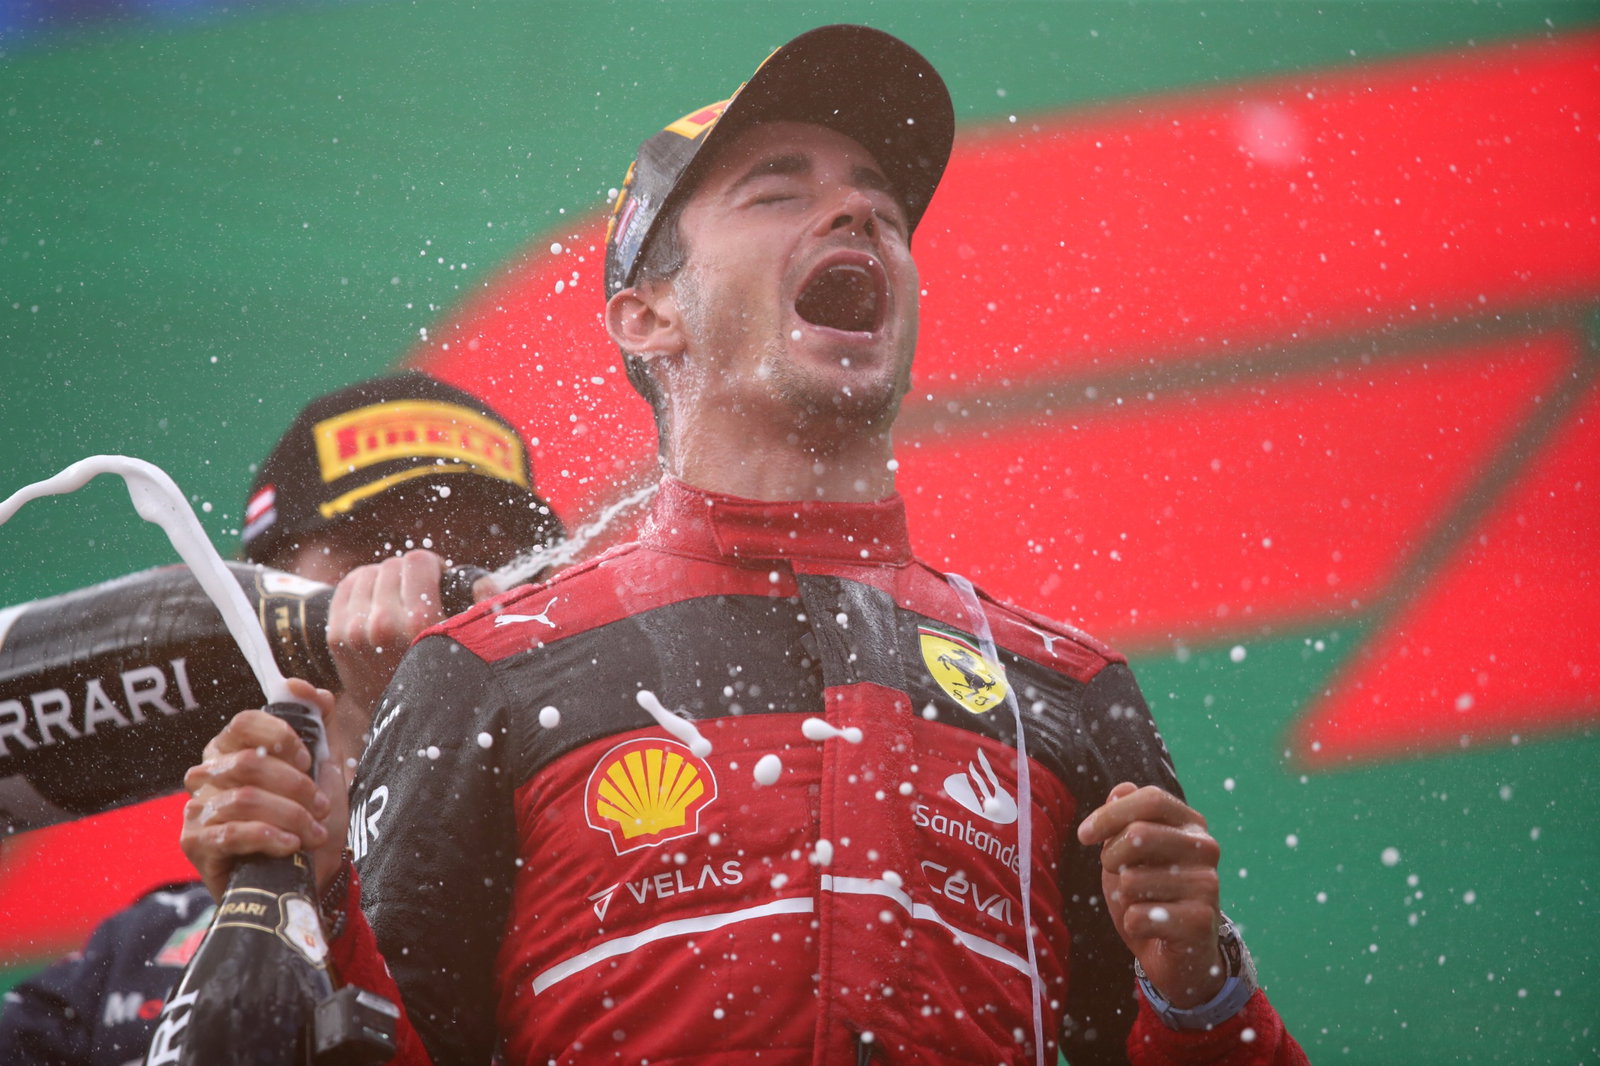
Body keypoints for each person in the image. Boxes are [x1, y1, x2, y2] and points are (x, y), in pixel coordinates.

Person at [181, 26, 1309, 1065]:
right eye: (779, 193)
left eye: (881, 205)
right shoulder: (490, 667)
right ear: (646, 315)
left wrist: (1201, 997)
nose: (858, 216)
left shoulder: (1063, 685)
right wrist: (320, 896)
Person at [0, 372, 563, 1066]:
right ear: (254, 597)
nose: (422, 582)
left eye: (481, 551)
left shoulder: (595, 883)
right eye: (376, 546)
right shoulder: (141, 948)